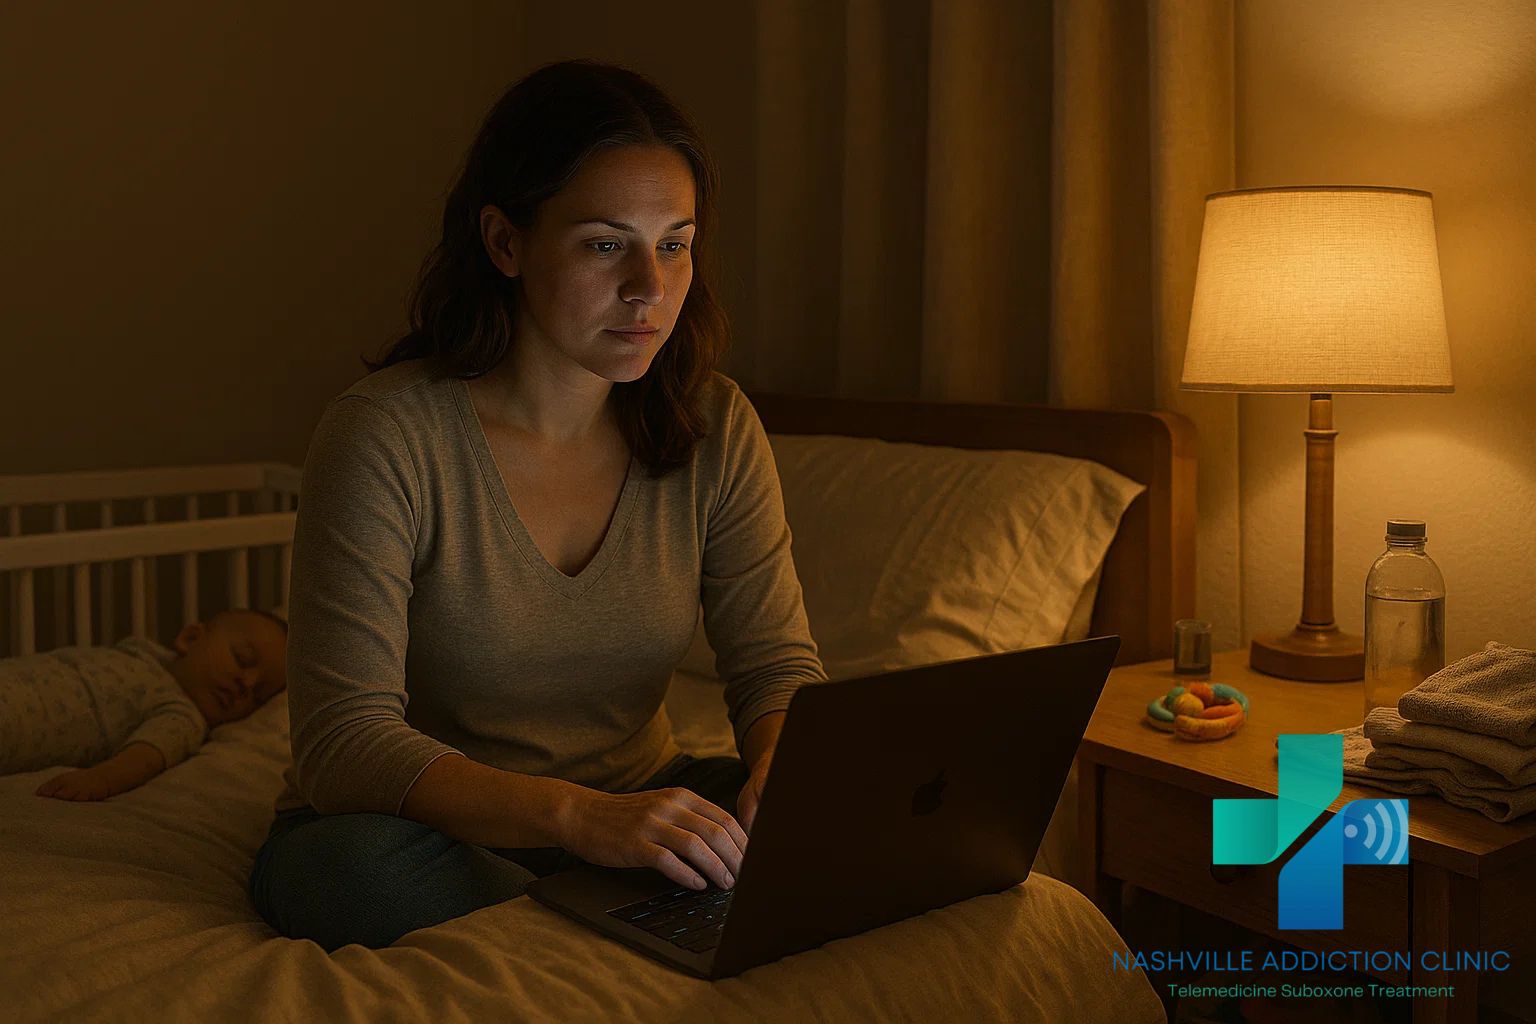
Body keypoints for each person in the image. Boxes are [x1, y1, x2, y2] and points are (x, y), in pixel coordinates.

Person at [247, 58, 827, 953]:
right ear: (505, 242)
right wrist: (577, 821)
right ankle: (613, 916)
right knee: (343, 874)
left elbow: (774, 666)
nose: (650, 286)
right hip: (431, 831)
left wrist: (784, 772)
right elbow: (342, 742)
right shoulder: (387, 435)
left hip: (641, 804)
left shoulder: (717, 425)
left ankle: (600, 911)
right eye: (605, 243)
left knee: (847, 835)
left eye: (674, 243)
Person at [0, 609, 289, 800]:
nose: (247, 683)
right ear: (190, 638)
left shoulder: (182, 715)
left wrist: (100, 780)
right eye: (243, 658)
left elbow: (145, 757)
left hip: (19, 725)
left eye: (260, 694)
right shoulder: (142, 651)